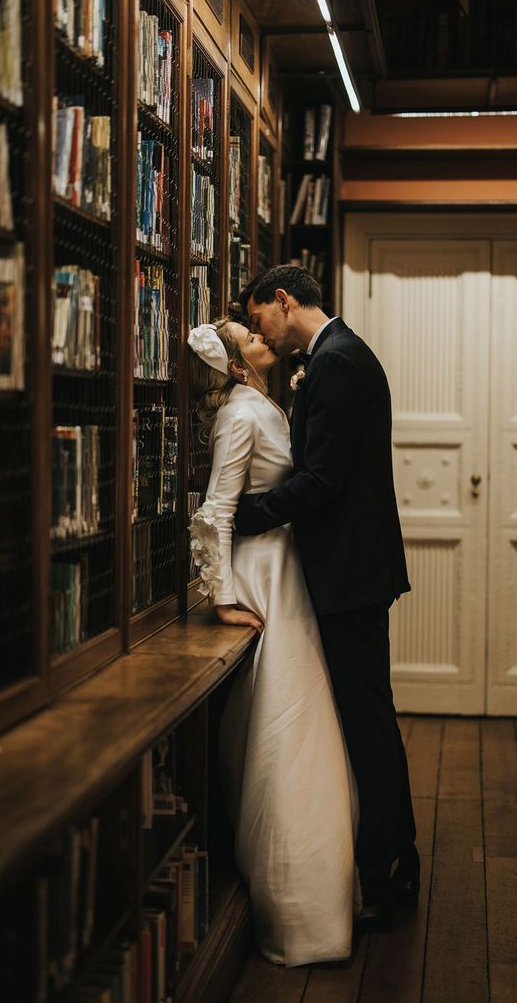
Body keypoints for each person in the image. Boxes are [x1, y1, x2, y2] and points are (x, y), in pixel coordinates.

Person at [236, 264, 419, 930]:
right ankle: (396, 862)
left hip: (350, 572)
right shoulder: (338, 355)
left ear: (283, 301)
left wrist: (238, 514)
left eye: (260, 320)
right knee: (369, 716)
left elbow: (321, 480)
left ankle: (385, 874)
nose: (263, 335)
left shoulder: (336, 363)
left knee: (366, 721)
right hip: (352, 567)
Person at [187, 318, 360, 967]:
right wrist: (223, 595)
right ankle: (293, 897)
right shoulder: (239, 415)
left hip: (286, 565)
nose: (262, 334)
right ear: (238, 365)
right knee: (283, 719)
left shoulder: (266, 401)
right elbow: (216, 507)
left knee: (302, 711)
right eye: (249, 336)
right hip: (260, 571)